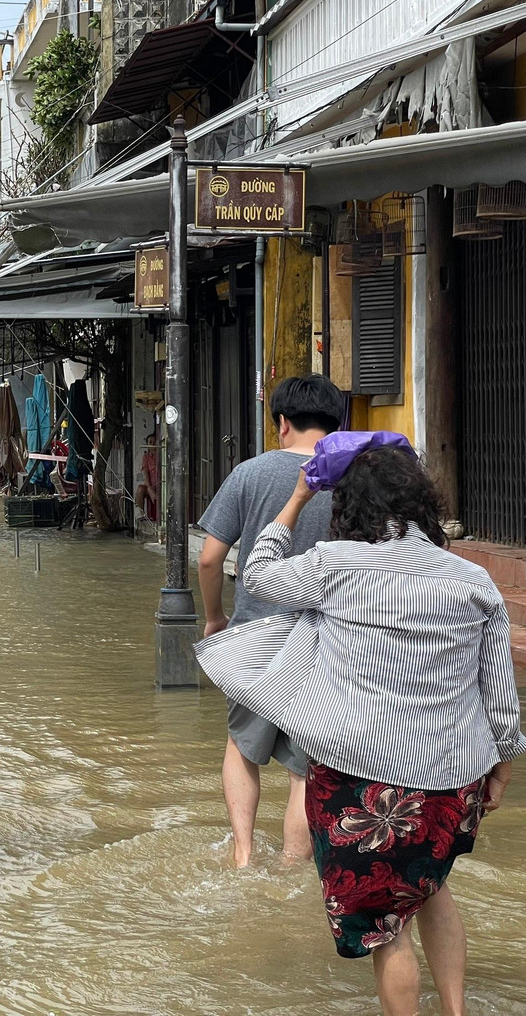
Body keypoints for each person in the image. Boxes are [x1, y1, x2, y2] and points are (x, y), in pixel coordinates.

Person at [242, 442, 523, 1016]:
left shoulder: (334, 565)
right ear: (421, 501)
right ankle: (456, 1011)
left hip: (357, 781)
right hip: (451, 780)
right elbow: (499, 695)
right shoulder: (473, 580)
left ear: (349, 505)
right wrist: (502, 769)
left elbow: (258, 573)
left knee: (387, 928)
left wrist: (298, 497)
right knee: (432, 888)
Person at [197, 374, 344, 866]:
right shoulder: (354, 478)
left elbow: (210, 559)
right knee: (307, 768)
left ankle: (243, 856)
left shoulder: (250, 473)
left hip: (255, 641)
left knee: (242, 747)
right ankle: (291, 864)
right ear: (337, 423)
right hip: (325, 643)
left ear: (282, 423)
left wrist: (215, 617)